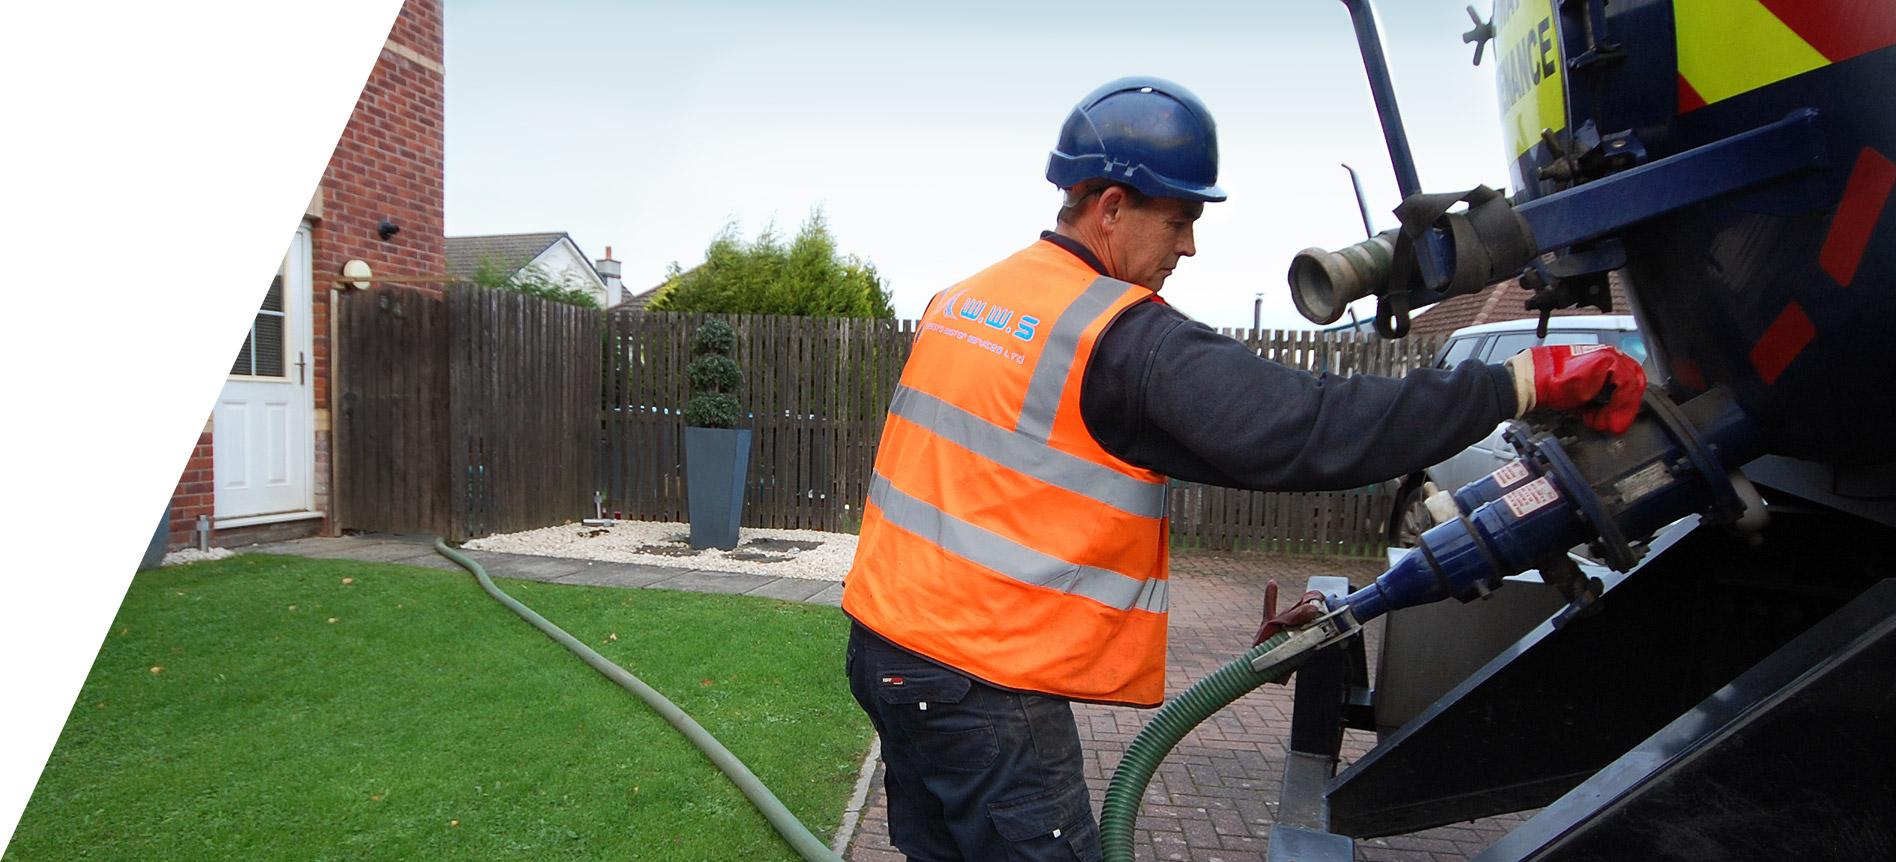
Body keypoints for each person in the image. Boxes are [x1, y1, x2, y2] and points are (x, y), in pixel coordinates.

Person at [840, 76, 1645, 861]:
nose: (1189, 245)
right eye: (1180, 218)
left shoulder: (969, 298)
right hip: (983, 685)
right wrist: (1519, 382)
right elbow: (1310, 426)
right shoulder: (1117, 336)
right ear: (1111, 206)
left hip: (889, 652)